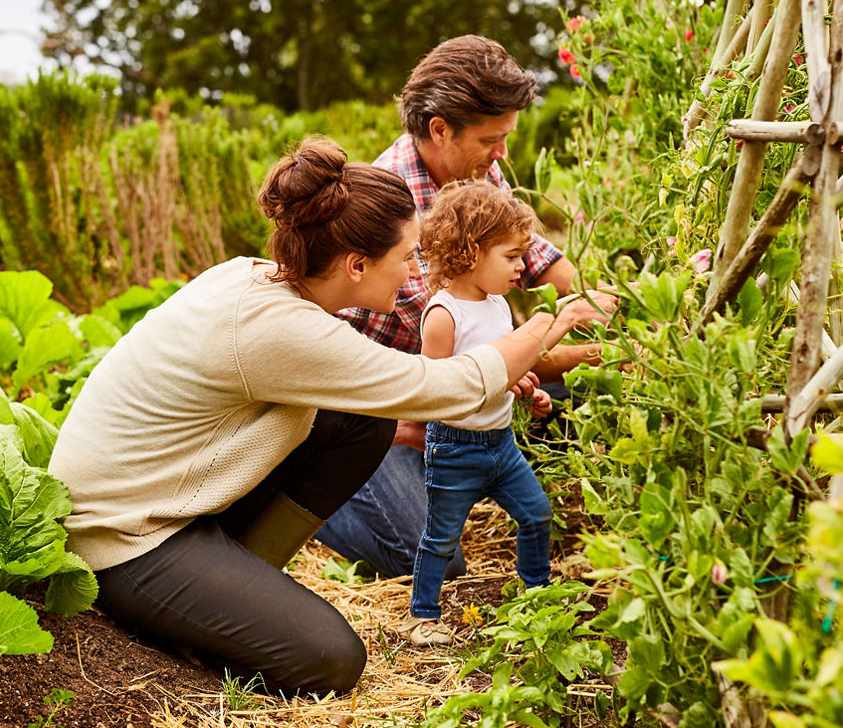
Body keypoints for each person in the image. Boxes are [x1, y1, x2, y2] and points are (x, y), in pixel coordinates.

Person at [48, 137, 616, 696]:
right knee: (331, 660)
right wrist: (554, 322)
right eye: (406, 257)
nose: (416, 274)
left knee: (360, 420)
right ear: (356, 264)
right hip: (122, 537)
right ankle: (197, 609)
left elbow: (410, 394)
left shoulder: (258, 278)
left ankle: (239, 577)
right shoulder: (282, 329)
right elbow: (446, 387)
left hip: (170, 493)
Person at [317, 35, 599, 584]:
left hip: (447, 393)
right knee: (439, 563)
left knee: (579, 392)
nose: (503, 156)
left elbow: (543, 262)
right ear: (440, 128)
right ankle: (315, 500)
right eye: (492, 140)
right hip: (373, 417)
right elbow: (484, 363)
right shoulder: (393, 212)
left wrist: (610, 304)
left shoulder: (472, 173)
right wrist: (589, 350)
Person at [403, 181, 558, 646]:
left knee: (536, 514)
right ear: (470, 252)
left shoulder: (498, 305)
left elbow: (498, 368)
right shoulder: (444, 315)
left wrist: (524, 385)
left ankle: (537, 591)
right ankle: (422, 615)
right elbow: (439, 390)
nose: (522, 266)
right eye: (511, 256)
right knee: (442, 538)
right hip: (455, 447)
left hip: (501, 443)